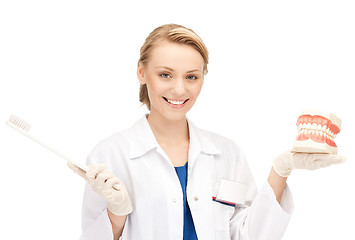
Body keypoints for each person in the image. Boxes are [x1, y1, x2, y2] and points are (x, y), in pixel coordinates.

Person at [68, 23, 345, 240]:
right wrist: (116, 214)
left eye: (191, 76)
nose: (179, 89)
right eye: (165, 74)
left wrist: (280, 170)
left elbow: (250, 236)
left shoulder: (226, 153)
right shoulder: (109, 154)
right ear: (142, 72)